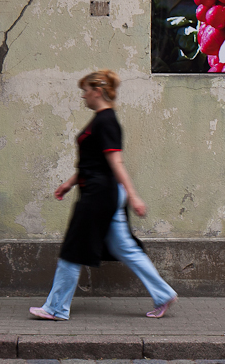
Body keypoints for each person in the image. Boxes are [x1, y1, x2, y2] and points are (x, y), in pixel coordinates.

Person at [29, 69, 177, 321]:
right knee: (125, 248)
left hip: (100, 195)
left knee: (73, 249)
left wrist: (134, 196)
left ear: (97, 92)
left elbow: (115, 162)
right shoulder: (102, 119)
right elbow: (93, 162)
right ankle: (163, 294)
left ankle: (56, 308)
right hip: (103, 191)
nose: (83, 96)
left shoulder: (106, 121)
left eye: (85, 91)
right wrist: (68, 183)